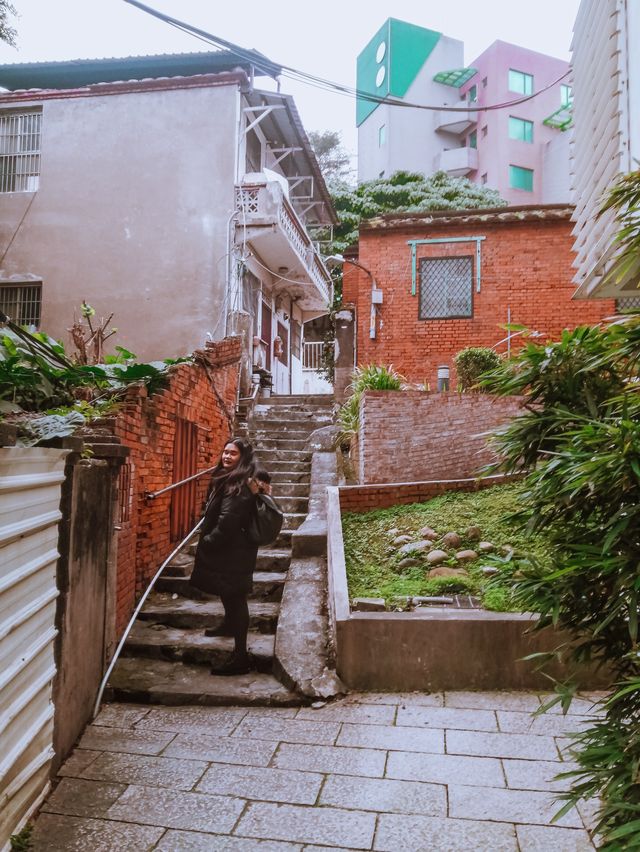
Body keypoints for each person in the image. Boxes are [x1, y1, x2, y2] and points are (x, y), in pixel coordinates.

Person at [189, 437, 263, 676]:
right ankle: (228, 624)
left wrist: (210, 541)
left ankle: (240, 656)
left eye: (233, 454)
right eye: (225, 452)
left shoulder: (239, 483)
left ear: (242, 458)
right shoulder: (227, 477)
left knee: (236, 597)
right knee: (227, 591)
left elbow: (229, 520)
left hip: (234, 550)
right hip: (231, 549)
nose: (227, 456)